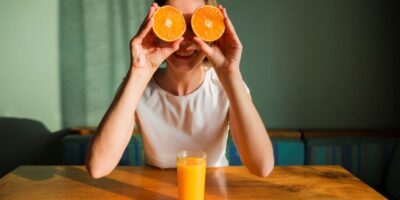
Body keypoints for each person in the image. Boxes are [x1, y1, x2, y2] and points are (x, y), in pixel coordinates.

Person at [85, 0, 274, 179]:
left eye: (196, 25)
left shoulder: (226, 86)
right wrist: (139, 72)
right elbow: (98, 167)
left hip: (213, 190)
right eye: (173, 25)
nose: (184, 41)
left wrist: (230, 73)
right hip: (153, 190)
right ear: (155, 29)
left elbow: (263, 167)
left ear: (212, 34)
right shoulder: (137, 86)